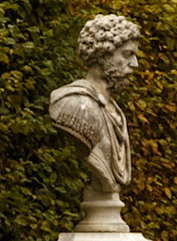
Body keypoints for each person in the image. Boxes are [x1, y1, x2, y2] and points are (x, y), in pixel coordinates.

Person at [49, 14, 141, 198]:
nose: (135, 64)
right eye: (127, 54)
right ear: (102, 54)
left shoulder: (115, 112)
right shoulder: (72, 102)